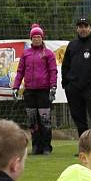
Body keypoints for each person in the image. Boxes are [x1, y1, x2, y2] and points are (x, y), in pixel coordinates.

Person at [12, 23, 58, 156]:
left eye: (39, 36)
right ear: (31, 39)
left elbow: (52, 71)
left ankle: (46, 147)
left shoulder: (48, 54)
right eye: (34, 37)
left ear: (42, 38)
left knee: (45, 120)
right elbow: (20, 72)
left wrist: (53, 86)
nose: (36, 39)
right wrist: (16, 87)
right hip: (30, 91)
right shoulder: (26, 54)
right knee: (32, 120)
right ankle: (36, 146)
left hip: (43, 91)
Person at [61, 17, 91, 137]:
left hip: (90, 88)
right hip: (73, 89)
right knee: (79, 120)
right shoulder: (72, 45)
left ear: (90, 28)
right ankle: (85, 147)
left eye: (85, 26)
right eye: (80, 27)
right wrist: (66, 84)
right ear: (77, 29)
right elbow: (65, 66)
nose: (83, 29)